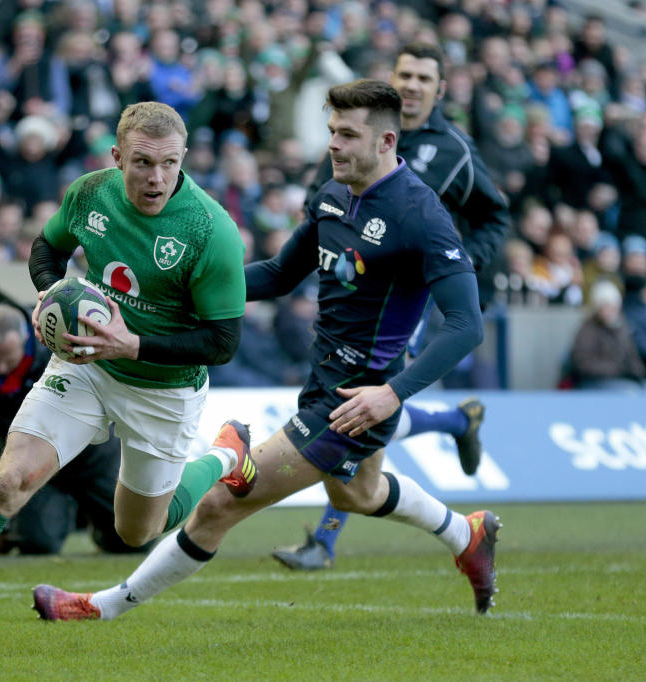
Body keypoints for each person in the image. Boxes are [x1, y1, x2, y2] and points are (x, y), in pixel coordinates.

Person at [31, 79, 499, 624]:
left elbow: (466, 326)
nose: (334, 145)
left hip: (354, 400)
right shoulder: (331, 196)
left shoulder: (421, 214)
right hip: (323, 378)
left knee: (217, 506)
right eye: (331, 132)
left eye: (348, 134)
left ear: (386, 141)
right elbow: (277, 275)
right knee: (358, 495)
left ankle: (100, 607)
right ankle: (467, 534)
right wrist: (180, 290)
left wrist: (392, 394)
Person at [0, 101, 254, 652]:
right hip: (85, 366)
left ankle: (226, 455)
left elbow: (224, 342)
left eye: (169, 163)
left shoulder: (211, 230)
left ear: (183, 159)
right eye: (141, 162)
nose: (156, 177)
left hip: (164, 387)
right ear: (117, 157)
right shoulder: (91, 193)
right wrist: (48, 296)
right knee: (8, 483)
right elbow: (47, 249)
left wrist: (131, 342)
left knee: (135, 530)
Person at [275, 43, 504, 571]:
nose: (415, 84)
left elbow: (494, 217)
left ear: (441, 89)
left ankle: (325, 542)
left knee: (368, 401)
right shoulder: (355, 134)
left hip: (410, 298)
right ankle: (454, 420)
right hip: (354, 281)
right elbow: (325, 196)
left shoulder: (456, 151)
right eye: (406, 73)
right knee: (367, 410)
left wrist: (465, 263)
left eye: (426, 76)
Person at [0, 302, 150, 556]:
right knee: (37, 544)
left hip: (94, 454)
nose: (0, 367)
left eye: (7, 358)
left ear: (25, 339)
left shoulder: (59, 348)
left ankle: (97, 525)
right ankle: (34, 524)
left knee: (135, 541)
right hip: (37, 463)